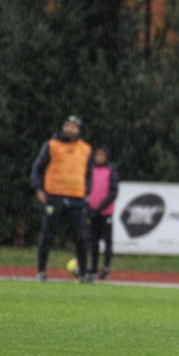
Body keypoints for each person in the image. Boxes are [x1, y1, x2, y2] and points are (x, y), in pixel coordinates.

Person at [31, 115, 93, 283]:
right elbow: (37, 168)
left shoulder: (85, 149)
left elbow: (88, 174)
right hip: (54, 195)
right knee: (47, 234)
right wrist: (38, 188)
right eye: (67, 125)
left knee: (81, 236)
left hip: (77, 197)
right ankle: (41, 272)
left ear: (79, 130)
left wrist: (87, 192)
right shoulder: (51, 145)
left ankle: (83, 274)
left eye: (73, 126)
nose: (69, 129)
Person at [88, 146, 119, 279]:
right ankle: (93, 267)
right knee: (93, 241)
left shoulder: (111, 171)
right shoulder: (91, 170)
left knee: (107, 241)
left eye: (102, 155)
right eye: (97, 155)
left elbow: (113, 191)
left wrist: (101, 206)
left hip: (106, 212)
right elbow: (86, 188)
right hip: (92, 212)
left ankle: (106, 268)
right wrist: (90, 207)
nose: (99, 158)